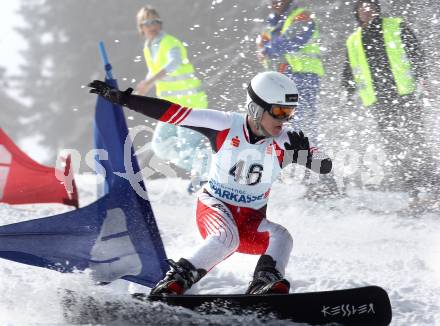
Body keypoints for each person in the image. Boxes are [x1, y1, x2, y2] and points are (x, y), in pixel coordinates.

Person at [88, 71, 332, 295]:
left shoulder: (287, 140)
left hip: (250, 221)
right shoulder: (225, 124)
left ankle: (264, 284)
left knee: (282, 237)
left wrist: (307, 156)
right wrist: (125, 100)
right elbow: (174, 113)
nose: (285, 120)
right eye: (279, 112)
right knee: (227, 239)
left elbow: (325, 165)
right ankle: (176, 279)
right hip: (215, 207)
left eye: (289, 113)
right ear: (256, 108)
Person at [342, 0, 438, 211]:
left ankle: (433, 189)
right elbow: (349, 70)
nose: (366, 9)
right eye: (362, 6)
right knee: (395, 147)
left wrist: (422, 77)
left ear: (377, 9)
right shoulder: (353, 40)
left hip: (404, 94)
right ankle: (415, 194)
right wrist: (346, 93)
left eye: (370, 5)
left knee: (416, 140)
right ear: (356, 13)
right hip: (379, 101)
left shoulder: (395, 25)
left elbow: (416, 51)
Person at [257, 0, 339, 199]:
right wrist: (267, 52)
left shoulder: (301, 15)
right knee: (288, 131)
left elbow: (295, 40)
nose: (275, 2)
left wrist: (269, 48)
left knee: (304, 129)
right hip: (284, 81)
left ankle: (324, 181)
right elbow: (264, 53)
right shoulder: (271, 25)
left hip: (304, 77)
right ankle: (315, 180)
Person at [135, 6, 210, 192]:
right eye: (147, 23)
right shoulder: (148, 47)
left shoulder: (170, 42)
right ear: (141, 27)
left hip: (190, 104)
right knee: (160, 144)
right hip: (171, 107)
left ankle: (206, 171)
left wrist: (150, 81)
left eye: (155, 21)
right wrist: (142, 88)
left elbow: (174, 63)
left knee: (187, 146)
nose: (152, 26)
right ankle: (204, 164)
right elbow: (154, 71)